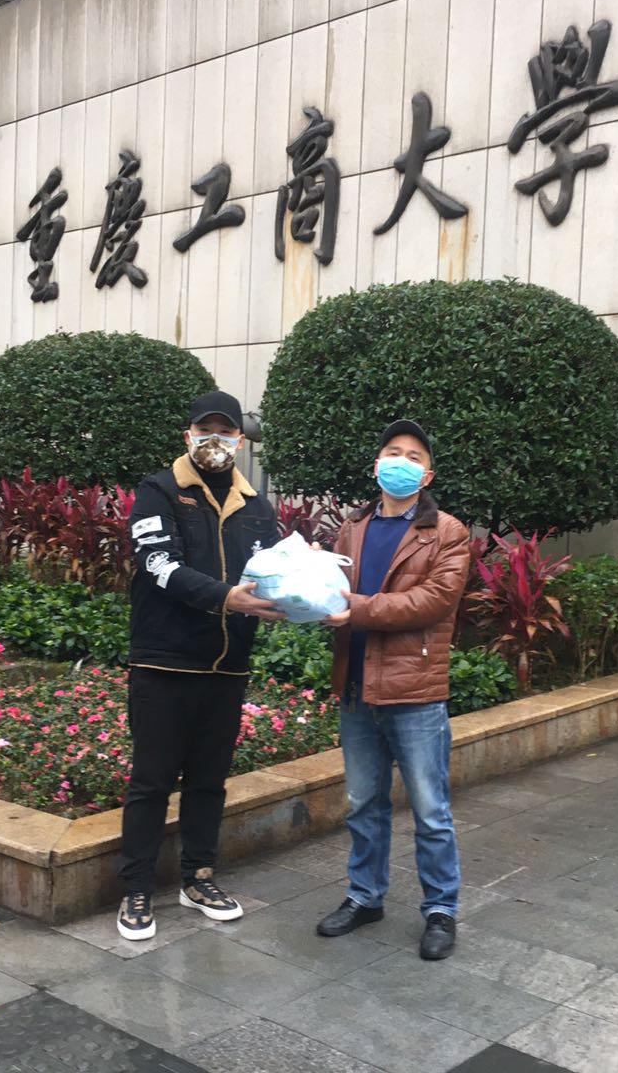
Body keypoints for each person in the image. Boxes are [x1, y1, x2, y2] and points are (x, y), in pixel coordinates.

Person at [116, 390, 283, 941]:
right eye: (205, 429)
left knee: (209, 781)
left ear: (240, 439)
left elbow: (276, 571)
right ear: (188, 435)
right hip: (165, 664)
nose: (216, 439)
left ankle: (199, 877)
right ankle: (136, 887)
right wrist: (227, 598)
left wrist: (308, 593)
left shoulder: (257, 506)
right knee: (151, 781)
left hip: (227, 667)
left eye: (226, 430)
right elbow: (158, 565)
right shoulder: (159, 490)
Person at [316, 419, 471, 960]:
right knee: (363, 804)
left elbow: (434, 601)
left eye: (413, 456)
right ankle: (365, 897)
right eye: (392, 452)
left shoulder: (447, 532)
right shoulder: (353, 526)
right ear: (376, 464)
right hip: (357, 686)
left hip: (415, 692)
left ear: (428, 475)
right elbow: (333, 590)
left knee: (431, 811)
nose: (400, 461)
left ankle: (441, 910)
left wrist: (355, 609)